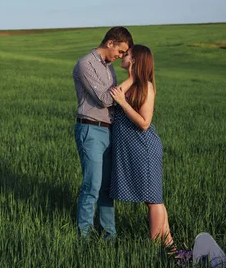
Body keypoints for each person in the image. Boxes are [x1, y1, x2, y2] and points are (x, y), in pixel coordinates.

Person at [109, 44, 177, 249]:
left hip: (144, 148)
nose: (123, 56)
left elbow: (145, 122)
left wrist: (124, 103)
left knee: (153, 198)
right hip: (133, 148)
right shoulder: (133, 83)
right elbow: (115, 95)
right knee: (152, 198)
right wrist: (130, 77)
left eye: (127, 55)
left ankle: (158, 245)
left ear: (135, 60)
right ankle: (169, 245)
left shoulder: (146, 86)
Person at [73, 26, 133, 239]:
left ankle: (110, 236)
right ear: (110, 43)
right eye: (119, 51)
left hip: (109, 131)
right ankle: (85, 235)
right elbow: (106, 99)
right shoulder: (85, 64)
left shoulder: (109, 67)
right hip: (90, 129)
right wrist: (132, 80)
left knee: (107, 187)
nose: (120, 56)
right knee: (92, 185)